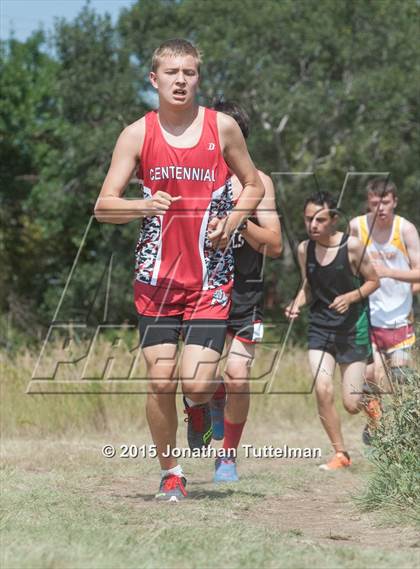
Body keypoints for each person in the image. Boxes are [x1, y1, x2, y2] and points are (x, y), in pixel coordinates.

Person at [94, 39, 264, 501]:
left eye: (189, 72)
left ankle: (198, 406)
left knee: (196, 381)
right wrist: (142, 204)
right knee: (159, 379)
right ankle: (172, 471)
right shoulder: (136, 134)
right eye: (172, 72)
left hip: (210, 278)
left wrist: (231, 221)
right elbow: (103, 206)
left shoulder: (222, 128)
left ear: (198, 78)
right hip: (157, 279)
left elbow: (252, 183)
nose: (181, 80)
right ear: (155, 79)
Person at [208, 101, 282, 482]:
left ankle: (228, 457)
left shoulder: (260, 182)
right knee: (200, 379)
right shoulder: (196, 177)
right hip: (202, 289)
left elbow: (275, 244)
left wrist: (239, 223)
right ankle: (210, 399)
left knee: (237, 374)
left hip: (245, 294)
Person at [285, 192, 379, 470]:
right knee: (323, 389)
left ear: (334, 220)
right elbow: (307, 285)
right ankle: (341, 454)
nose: (312, 225)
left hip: (352, 329)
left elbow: (374, 281)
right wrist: (296, 302)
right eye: (308, 219)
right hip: (320, 328)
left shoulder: (352, 247)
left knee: (351, 403)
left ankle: (371, 406)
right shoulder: (305, 249)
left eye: (319, 219)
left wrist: (350, 297)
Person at [349, 179, 420, 441]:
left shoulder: (406, 229)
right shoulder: (357, 226)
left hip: (399, 318)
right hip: (369, 316)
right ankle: (377, 421)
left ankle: (405, 431)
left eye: (386, 202)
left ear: (395, 202)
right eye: (375, 202)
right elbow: (345, 261)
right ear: (369, 201)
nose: (380, 208)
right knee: (371, 374)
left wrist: (389, 273)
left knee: (401, 377)